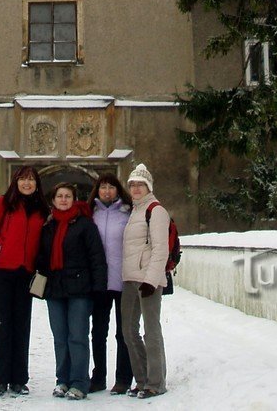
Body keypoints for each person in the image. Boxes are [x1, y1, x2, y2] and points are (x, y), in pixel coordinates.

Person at [0, 165, 49, 398]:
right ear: (16, 181)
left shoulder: (40, 209)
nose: (27, 184)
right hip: (1, 272)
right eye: (23, 179)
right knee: (1, 325)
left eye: (31, 180)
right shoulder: (3, 204)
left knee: (21, 326)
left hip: (24, 273)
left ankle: (19, 379)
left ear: (37, 184)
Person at [36, 182, 107, 401]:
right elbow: (41, 258)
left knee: (77, 336)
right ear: (54, 200)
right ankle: (62, 380)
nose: (64, 199)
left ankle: (79, 382)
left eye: (68, 196)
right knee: (60, 337)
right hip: (55, 290)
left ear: (74, 199)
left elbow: (97, 257)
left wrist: (98, 287)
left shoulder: (85, 225)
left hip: (80, 289)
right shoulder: (48, 227)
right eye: (60, 196)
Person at [121, 164, 169, 399]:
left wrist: (151, 280)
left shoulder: (155, 210)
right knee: (128, 331)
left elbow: (161, 249)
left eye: (140, 184)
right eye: (132, 185)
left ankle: (156, 382)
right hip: (130, 279)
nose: (136, 188)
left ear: (148, 186)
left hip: (148, 280)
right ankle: (141, 380)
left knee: (151, 331)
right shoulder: (134, 211)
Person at [88, 174, 134, 395]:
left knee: (124, 332)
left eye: (111, 187)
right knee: (98, 332)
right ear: (97, 190)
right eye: (103, 187)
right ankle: (98, 377)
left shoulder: (128, 213)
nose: (106, 191)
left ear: (118, 190)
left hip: (123, 280)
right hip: (99, 282)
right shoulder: (90, 214)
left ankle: (124, 378)